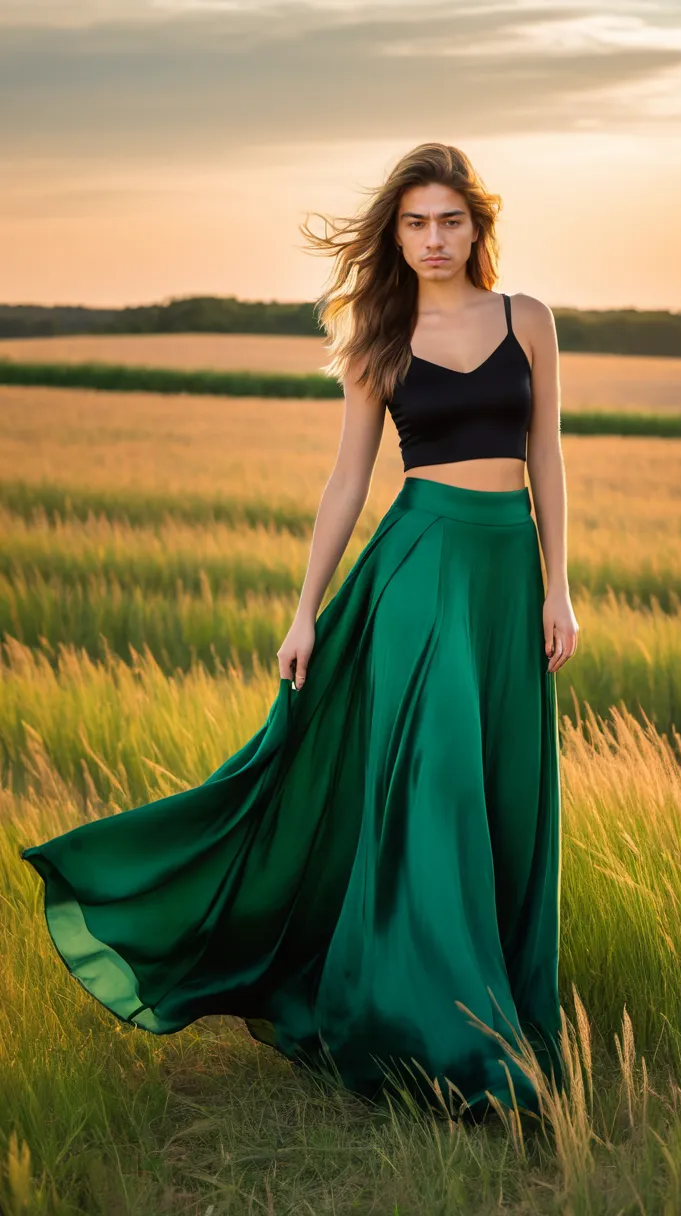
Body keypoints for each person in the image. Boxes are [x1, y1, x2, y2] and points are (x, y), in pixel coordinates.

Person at [20, 142, 579, 1124]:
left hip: (505, 575)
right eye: (415, 222)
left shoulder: (525, 319)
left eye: (450, 220)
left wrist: (559, 588)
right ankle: (448, 1040)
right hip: (417, 577)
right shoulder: (380, 331)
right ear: (394, 233)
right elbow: (348, 480)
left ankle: (493, 1014)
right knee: (438, 788)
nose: (433, 239)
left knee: (499, 793)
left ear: (477, 226)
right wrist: (303, 608)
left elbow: (548, 458)